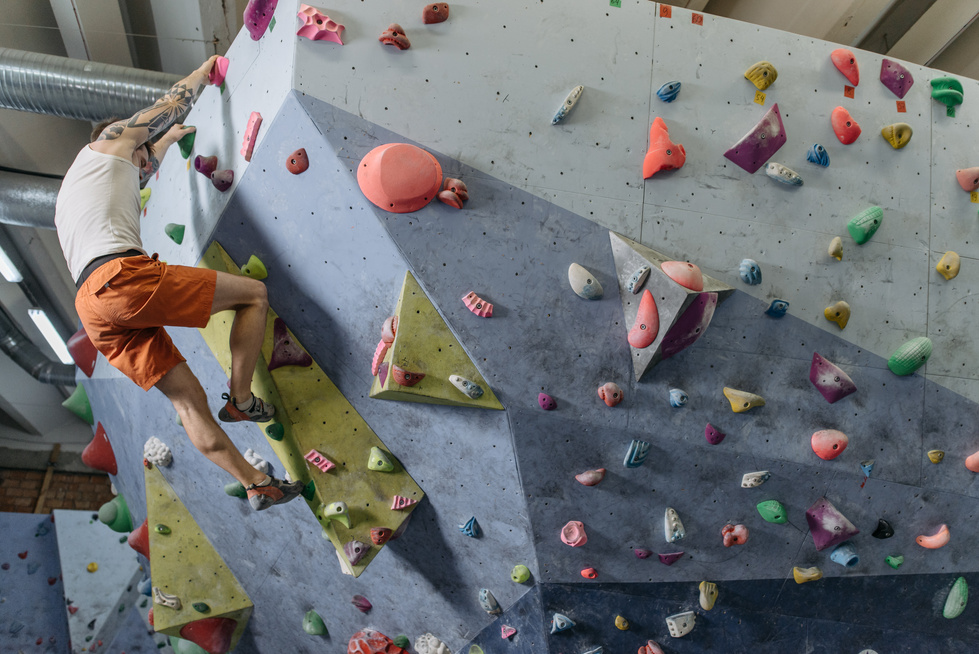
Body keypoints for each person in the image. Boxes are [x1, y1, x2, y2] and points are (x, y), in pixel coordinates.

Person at [55, 56, 302, 511]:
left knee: (187, 400)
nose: (148, 164)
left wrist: (166, 141)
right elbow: (169, 103)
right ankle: (243, 399)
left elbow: (141, 167)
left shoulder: (78, 187)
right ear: (130, 142)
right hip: (120, 279)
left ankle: (255, 484)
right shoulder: (110, 142)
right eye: (145, 152)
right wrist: (204, 75)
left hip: (93, 310)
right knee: (254, 295)